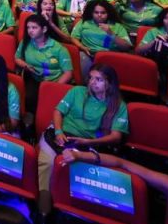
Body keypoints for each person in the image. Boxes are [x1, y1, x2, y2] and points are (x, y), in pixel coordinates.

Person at [37, 63, 128, 191]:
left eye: (99, 79)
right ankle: (44, 196)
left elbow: (116, 137)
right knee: (47, 163)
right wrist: (58, 131)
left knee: (68, 168)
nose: (92, 82)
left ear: (110, 83)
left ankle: (62, 200)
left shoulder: (118, 105)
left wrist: (90, 141)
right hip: (59, 134)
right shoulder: (77, 91)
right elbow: (58, 111)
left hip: (87, 144)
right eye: (91, 78)